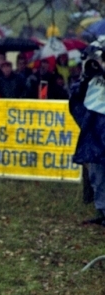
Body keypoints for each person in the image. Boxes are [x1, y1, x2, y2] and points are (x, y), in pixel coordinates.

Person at [70, 37, 105, 227]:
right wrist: (86, 76)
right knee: (97, 173)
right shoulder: (92, 75)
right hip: (96, 124)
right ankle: (102, 211)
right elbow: (76, 96)